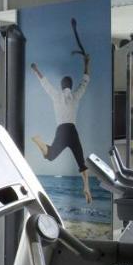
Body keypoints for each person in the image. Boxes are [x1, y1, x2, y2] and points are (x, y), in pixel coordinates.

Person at [30, 53, 93, 203]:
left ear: (61, 86)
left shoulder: (56, 96)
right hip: (72, 131)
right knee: (81, 163)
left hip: (61, 131)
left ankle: (39, 141)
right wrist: (86, 63)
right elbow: (85, 81)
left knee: (50, 156)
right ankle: (86, 187)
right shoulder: (76, 96)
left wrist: (36, 70)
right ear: (70, 86)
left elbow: (45, 84)